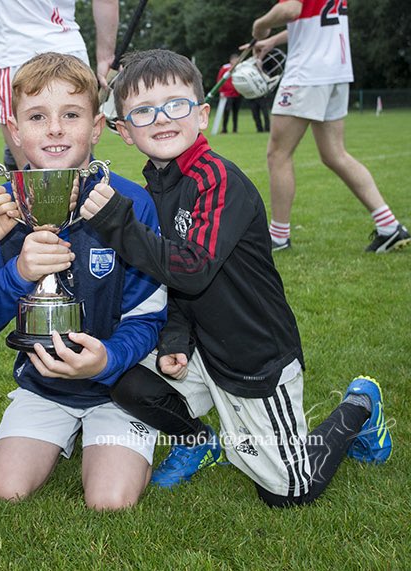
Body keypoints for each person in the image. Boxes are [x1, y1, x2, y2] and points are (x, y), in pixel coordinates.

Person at [79, 49, 393, 507]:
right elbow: (175, 284)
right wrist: (175, 343)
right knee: (128, 382)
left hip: (253, 356)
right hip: (205, 349)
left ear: (202, 114)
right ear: (124, 131)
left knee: (290, 491)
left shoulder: (217, 178)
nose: (162, 118)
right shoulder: (156, 191)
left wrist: (118, 222)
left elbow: (192, 266)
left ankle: (361, 407)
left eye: (176, 104)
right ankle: (200, 443)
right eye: (144, 111)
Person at [0, 52, 167, 510]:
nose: (54, 129)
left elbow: (148, 316)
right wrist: (19, 274)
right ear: (15, 132)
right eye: (37, 117)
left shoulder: (129, 203)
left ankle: (118, 438)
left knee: (110, 500)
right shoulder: (4, 210)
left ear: (95, 127)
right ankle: (58, 430)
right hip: (43, 386)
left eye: (70, 115)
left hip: (118, 385)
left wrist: (107, 359)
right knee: (4, 489)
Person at [250, 1, 409, 253]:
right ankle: (389, 227)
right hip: (336, 70)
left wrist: (260, 26)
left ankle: (278, 237)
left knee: (278, 154)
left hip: (308, 72)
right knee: (335, 154)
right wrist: (272, 42)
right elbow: (311, 23)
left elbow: (291, 10)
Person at [0, 0, 119, 171]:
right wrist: (105, 57)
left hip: (16, 52)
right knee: (80, 172)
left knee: (35, 183)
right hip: (69, 50)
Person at [215, 53, 242, 134]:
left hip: (237, 93)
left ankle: (235, 129)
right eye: (235, 60)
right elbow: (219, 80)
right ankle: (224, 129)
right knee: (226, 111)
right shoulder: (225, 67)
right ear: (231, 60)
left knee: (235, 112)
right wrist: (221, 91)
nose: (236, 61)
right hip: (227, 94)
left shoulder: (240, 68)